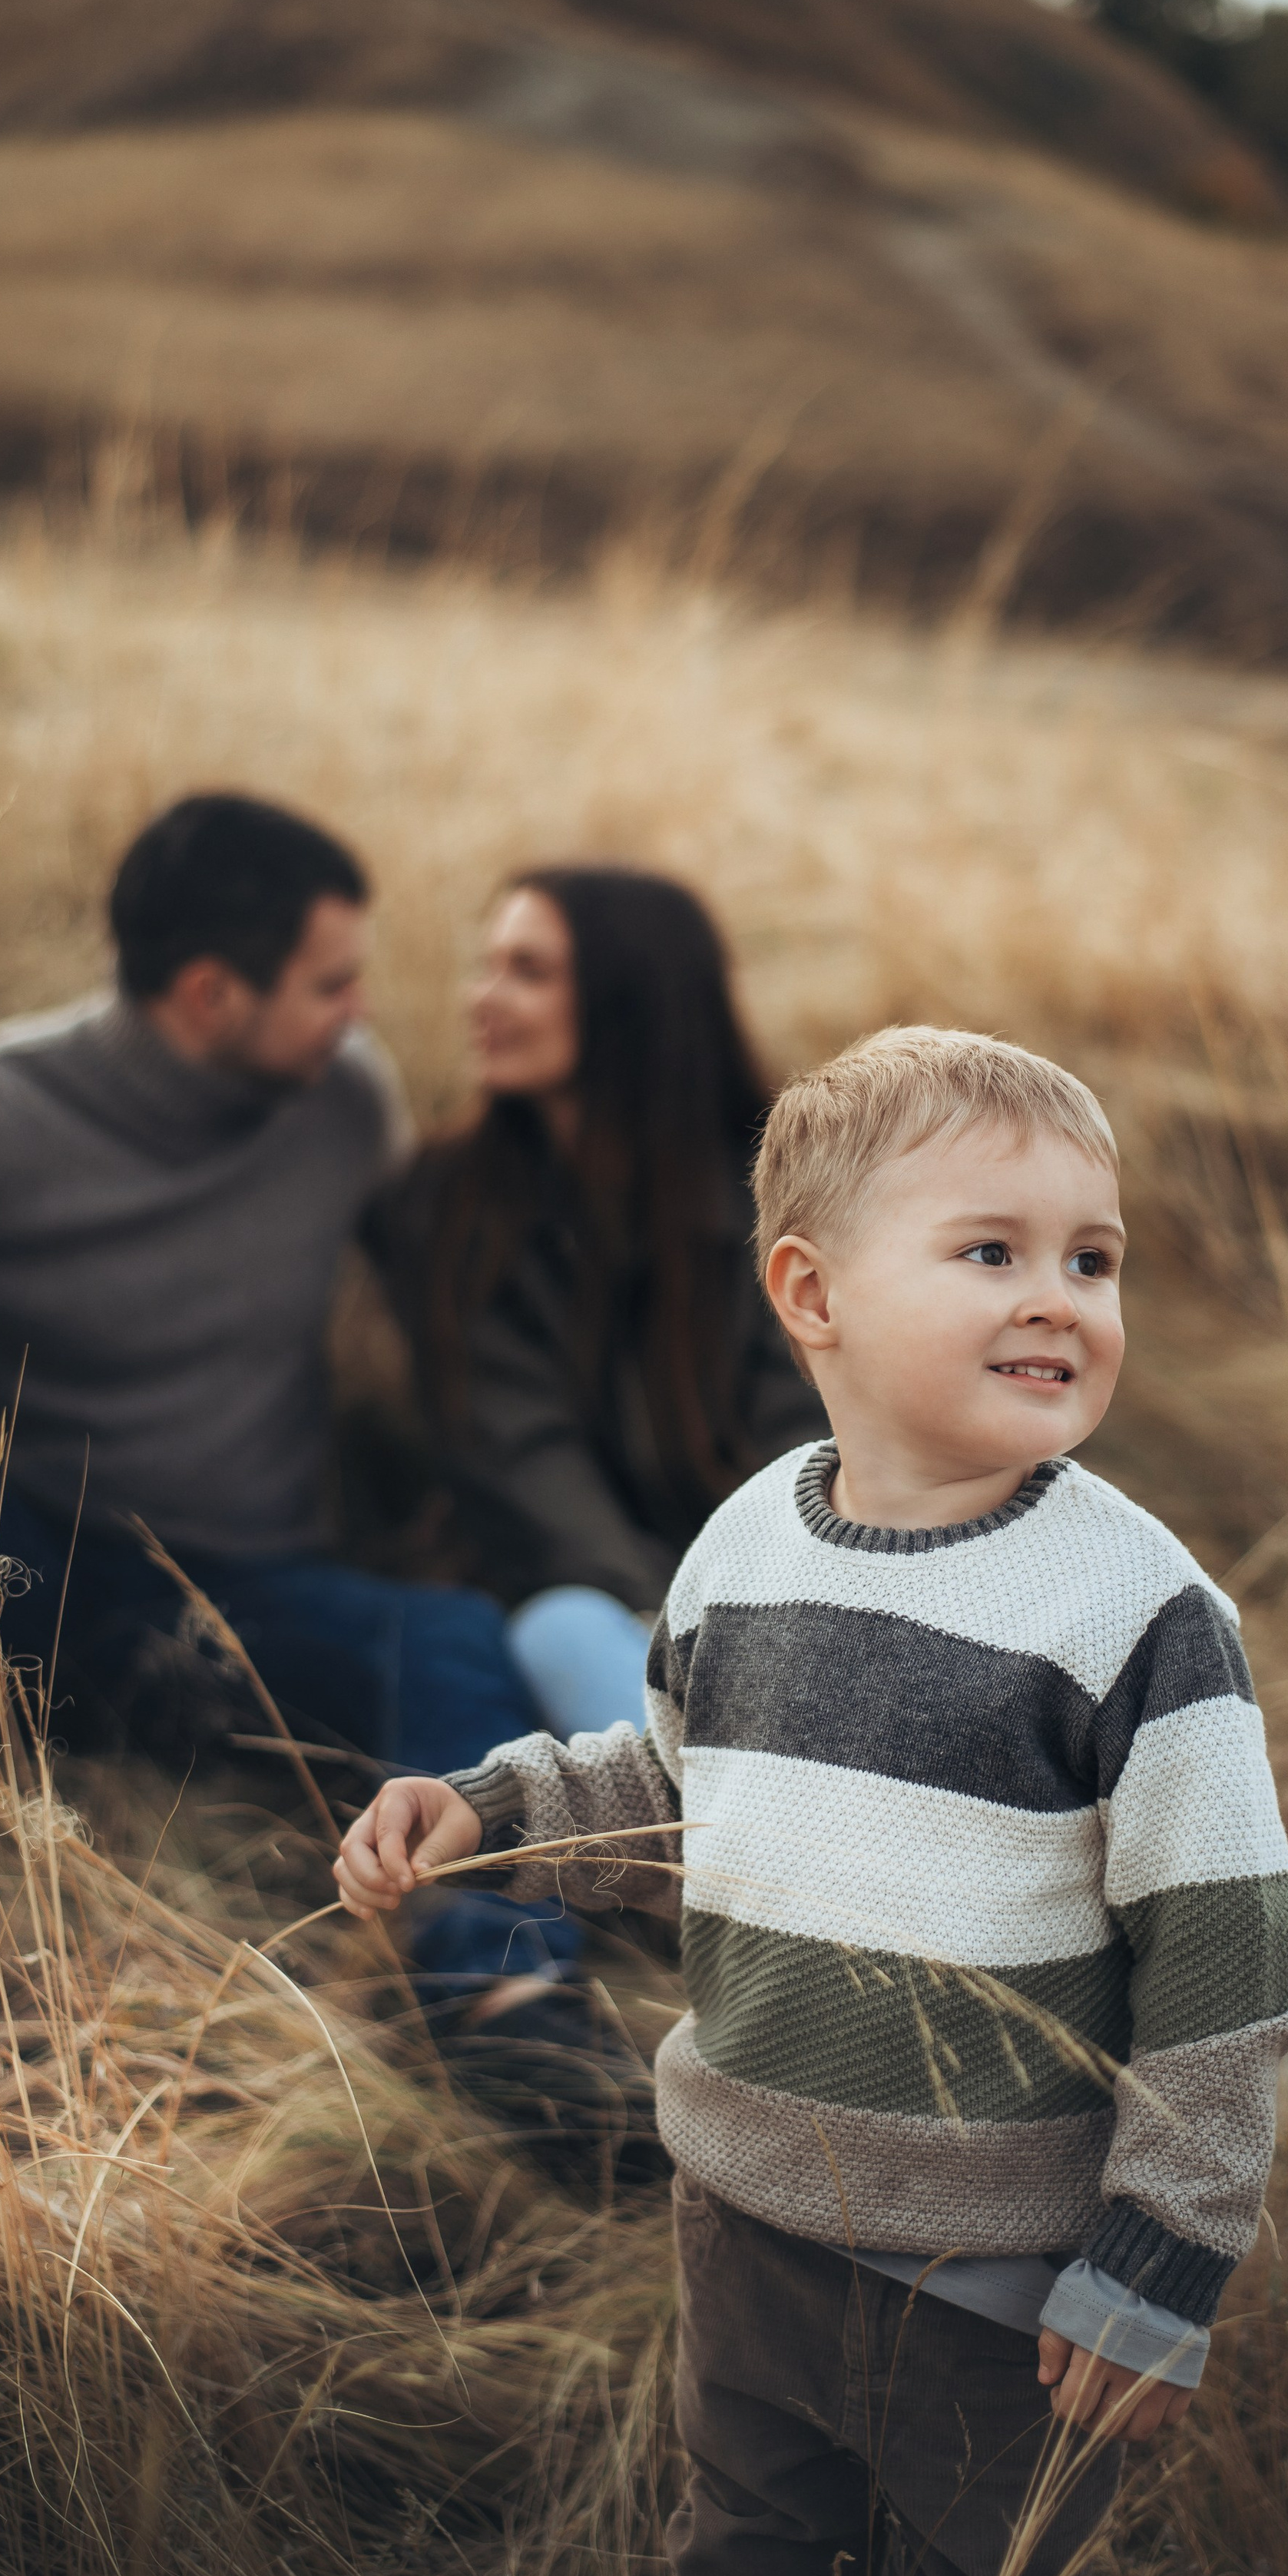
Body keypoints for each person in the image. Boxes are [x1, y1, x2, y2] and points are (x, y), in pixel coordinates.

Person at [336, 1024, 1288, 2576]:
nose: (1058, 1299)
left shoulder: (1134, 1614)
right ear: (812, 1292)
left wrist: (1156, 2259)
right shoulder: (746, 1542)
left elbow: (1224, 1965)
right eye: (989, 1251)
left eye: (1091, 1259)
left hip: (991, 2281)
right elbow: (680, 1790)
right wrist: (489, 1813)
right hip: (747, 2227)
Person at [0, 793, 538, 2059]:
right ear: (208, 995)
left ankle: (510, 1997)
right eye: (329, 984)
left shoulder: (346, 1103)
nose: (361, 1014)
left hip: (237, 1614)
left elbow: (447, 1297)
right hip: (4, 1590)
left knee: (455, 1640)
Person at [360, 867, 825, 2047]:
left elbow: (807, 1449)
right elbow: (522, 1463)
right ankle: (787, 1918)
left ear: (630, 1001)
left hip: (775, 1604)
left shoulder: (788, 1196)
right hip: (585, 1600)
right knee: (562, 1622)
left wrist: (758, 1635)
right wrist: (686, 1644)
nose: (482, 998)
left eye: (528, 970)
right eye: (486, 963)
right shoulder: (450, 1201)